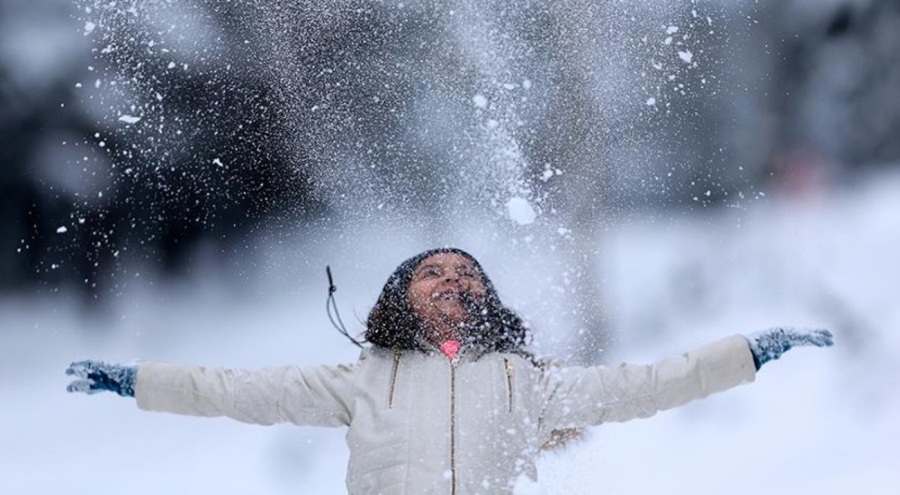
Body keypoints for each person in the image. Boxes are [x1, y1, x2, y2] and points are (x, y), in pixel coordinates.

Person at [66, 247, 833, 495]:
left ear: (487, 298)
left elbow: (646, 384)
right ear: (399, 295)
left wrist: (748, 351)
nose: (453, 279)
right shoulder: (363, 379)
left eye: (468, 273)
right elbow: (235, 390)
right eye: (432, 270)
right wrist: (138, 380)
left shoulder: (527, 382)